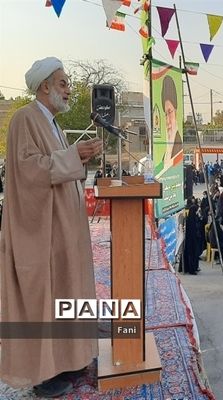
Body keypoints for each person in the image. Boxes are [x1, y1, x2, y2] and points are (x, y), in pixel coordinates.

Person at [0, 57, 103, 397]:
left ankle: (71, 359)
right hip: (40, 232)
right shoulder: (24, 120)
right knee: (44, 301)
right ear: (44, 86)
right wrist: (75, 156)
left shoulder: (55, 125)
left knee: (67, 294)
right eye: (63, 83)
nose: (69, 89)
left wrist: (81, 156)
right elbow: (29, 171)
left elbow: (62, 167)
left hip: (63, 230)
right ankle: (44, 375)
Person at [155, 74, 183, 178]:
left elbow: (169, 171)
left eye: (170, 112)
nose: (167, 121)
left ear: (176, 111)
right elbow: (159, 172)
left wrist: (170, 146)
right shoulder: (168, 147)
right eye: (165, 114)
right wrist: (169, 146)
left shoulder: (178, 146)